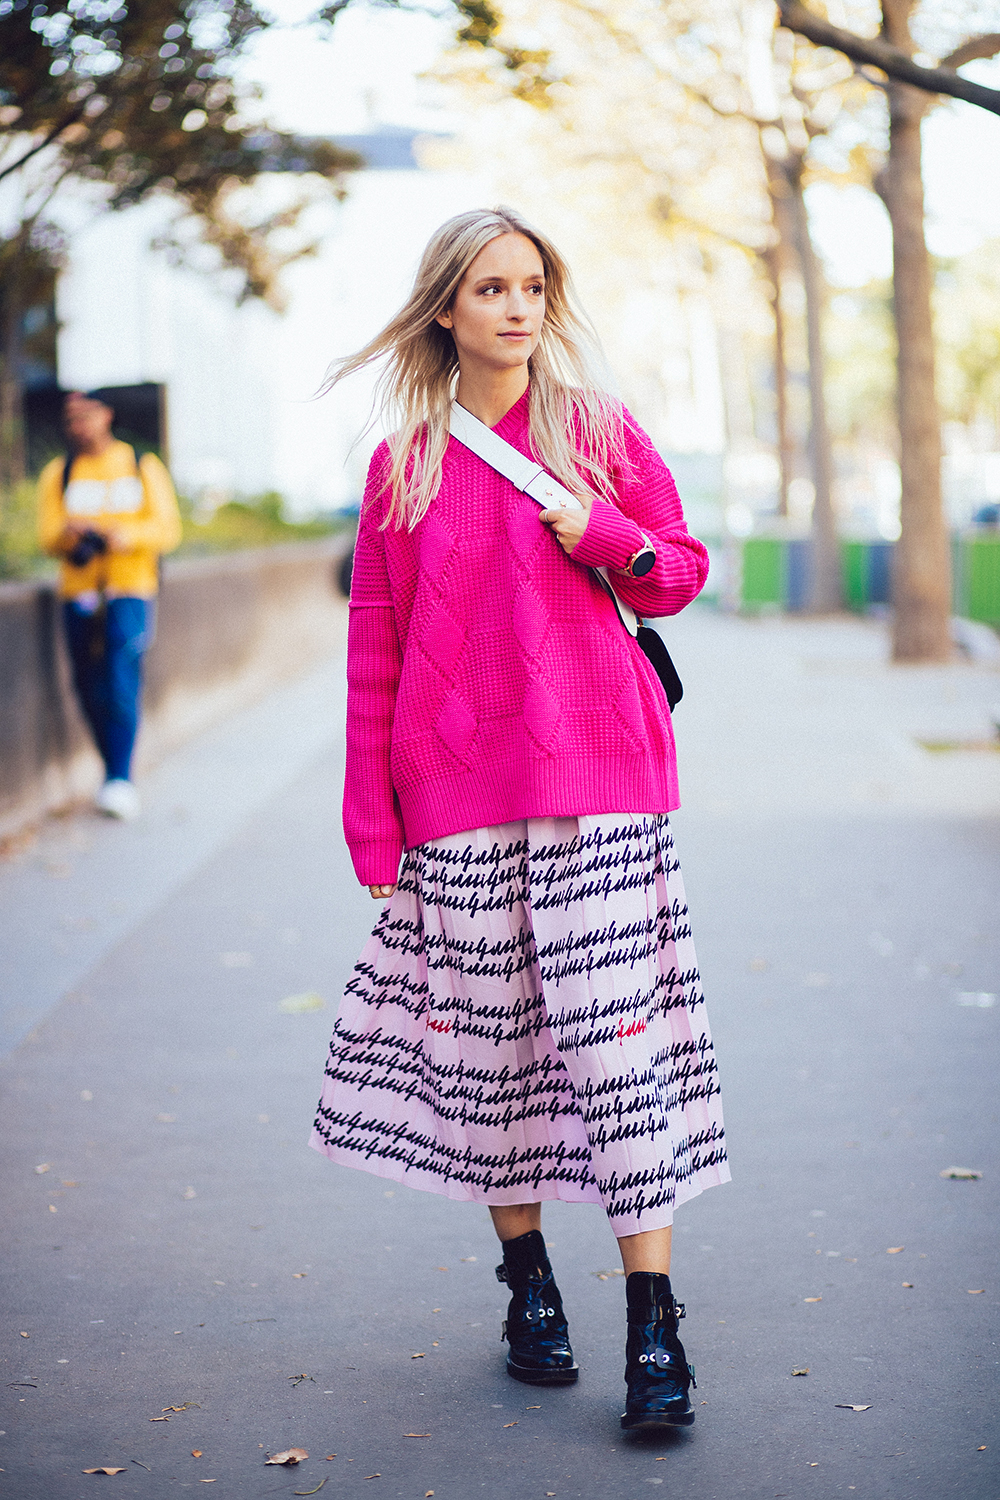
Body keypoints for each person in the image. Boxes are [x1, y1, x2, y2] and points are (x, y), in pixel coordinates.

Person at [310, 207, 729, 1431]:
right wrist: (368, 825)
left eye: (533, 286)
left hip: (600, 782)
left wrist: (603, 533)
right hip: (454, 801)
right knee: (492, 1056)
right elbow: (373, 654)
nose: (516, 307)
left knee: (614, 1048)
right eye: (490, 288)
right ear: (446, 306)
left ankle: (653, 1323)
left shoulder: (596, 433)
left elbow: (681, 571)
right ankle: (528, 1285)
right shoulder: (405, 464)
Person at [38, 389, 182, 820]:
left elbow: (168, 528)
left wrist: (124, 535)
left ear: (106, 416)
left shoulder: (140, 465)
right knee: (86, 683)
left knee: (120, 678)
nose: (79, 425)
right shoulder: (60, 472)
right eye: (71, 418)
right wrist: (72, 531)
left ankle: (120, 778)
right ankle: (112, 769)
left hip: (130, 588)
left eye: (86, 415)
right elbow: (47, 537)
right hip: (78, 591)